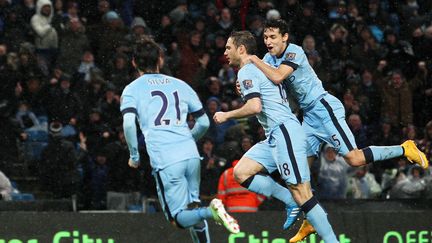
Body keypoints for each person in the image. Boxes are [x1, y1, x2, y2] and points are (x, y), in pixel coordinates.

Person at [245, 19, 430, 241]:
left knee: (354, 158)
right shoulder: (267, 59)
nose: (268, 41)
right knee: (300, 168)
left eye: (273, 36)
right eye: (265, 37)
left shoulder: (294, 51)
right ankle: (310, 219)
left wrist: (252, 58)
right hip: (307, 117)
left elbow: (276, 76)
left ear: (285, 37)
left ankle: (404, 148)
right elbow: (266, 84)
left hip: (323, 109)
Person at [214, 31, 339, 242]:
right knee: (241, 172)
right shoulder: (261, 67)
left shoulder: (247, 71)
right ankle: (289, 200)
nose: (225, 52)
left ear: (241, 49)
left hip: (285, 132)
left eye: (228, 47)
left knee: (302, 191)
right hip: (275, 134)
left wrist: (227, 114)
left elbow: (255, 106)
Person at [120, 37, 239, 243]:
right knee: (193, 208)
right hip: (191, 155)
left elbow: (129, 124)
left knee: (177, 218)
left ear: (134, 62)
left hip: (166, 158)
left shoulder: (132, 89)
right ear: (161, 59)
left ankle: (211, 212)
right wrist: (186, 139)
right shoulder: (181, 85)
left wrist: (134, 155)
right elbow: (203, 123)